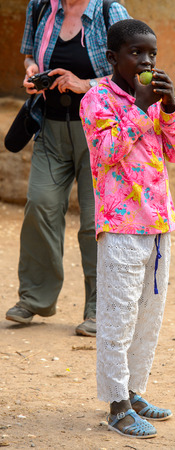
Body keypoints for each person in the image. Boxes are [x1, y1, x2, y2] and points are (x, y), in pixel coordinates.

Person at [80, 19, 175, 438]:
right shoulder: (97, 98)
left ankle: (135, 390)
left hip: (158, 223)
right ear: (112, 58)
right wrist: (141, 108)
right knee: (117, 317)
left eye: (151, 54)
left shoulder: (157, 99)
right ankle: (117, 405)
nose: (146, 61)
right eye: (135, 53)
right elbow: (106, 152)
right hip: (121, 225)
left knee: (147, 318)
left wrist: (171, 106)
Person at [5, 0, 130, 337]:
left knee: (94, 222)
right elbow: (30, 54)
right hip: (50, 126)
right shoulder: (40, 7)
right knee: (40, 204)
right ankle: (34, 299)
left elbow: (133, 72)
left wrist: (85, 84)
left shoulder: (110, 11)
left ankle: (98, 310)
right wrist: (32, 72)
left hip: (99, 133)